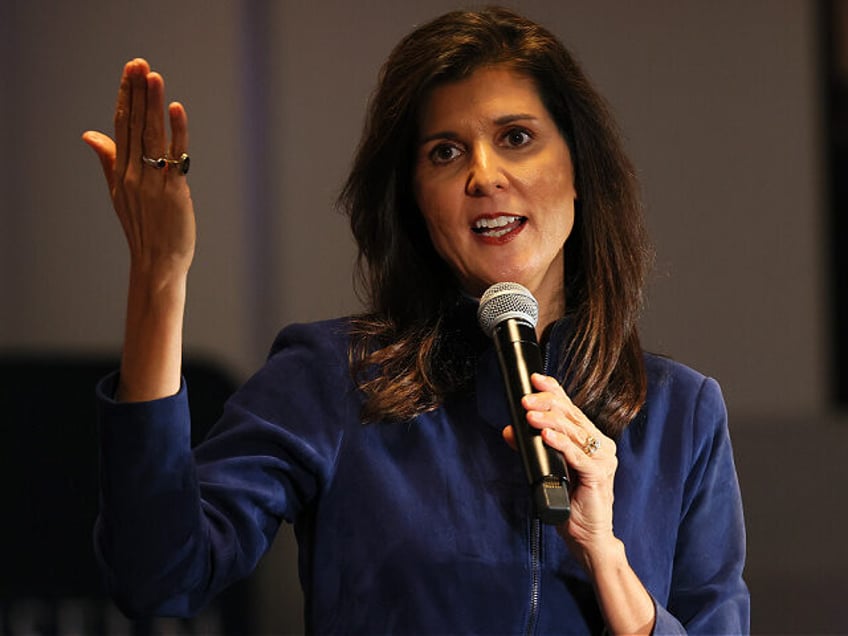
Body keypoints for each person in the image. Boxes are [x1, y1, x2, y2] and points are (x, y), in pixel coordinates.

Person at [83, 7, 749, 634]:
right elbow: (157, 575)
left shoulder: (680, 414)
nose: (484, 175)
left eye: (516, 138)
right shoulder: (332, 379)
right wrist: (159, 278)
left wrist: (606, 556)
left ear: (579, 169)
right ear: (416, 200)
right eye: (445, 152)